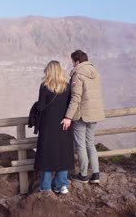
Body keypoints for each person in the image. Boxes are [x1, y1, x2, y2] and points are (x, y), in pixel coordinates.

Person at [61, 50, 105, 184]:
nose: (72, 65)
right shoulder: (95, 73)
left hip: (81, 115)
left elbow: (76, 98)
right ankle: (96, 175)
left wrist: (68, 117)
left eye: (73, 62)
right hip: (94, 114)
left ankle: (83, 175)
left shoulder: (78, 75)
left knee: (80, 146)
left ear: (77, 61)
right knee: (90, 144)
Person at [34, 60, 74, 194]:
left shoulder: (44, 86)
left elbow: (40, 106)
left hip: (48, 126)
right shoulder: (67, 87)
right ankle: (61, 185)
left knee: (46, 154)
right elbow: (70, 105)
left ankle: (46, 187)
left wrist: (36, 106)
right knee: (62, 153)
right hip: (64, 126)